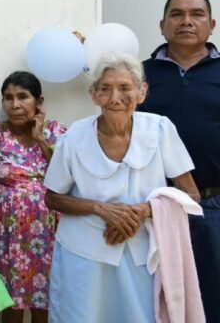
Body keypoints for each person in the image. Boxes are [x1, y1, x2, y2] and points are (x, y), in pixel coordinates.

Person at [45, 53, 200, 322]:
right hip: (84, 253)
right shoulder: (73, 138)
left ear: (142, 92)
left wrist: (142, 211)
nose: (115, 98)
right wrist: (100, 208)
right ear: (93, 95)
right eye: (105, 89)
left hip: (142, 251)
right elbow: (53, 198)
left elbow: (191, 194)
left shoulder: (161, 130)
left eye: (125, 88)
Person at [138, 0, 219, 322]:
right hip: (151, 208)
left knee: (212, 297)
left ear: (211, 24)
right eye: (177, 14)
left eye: (196, 14)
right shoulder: (138, 75)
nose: (186, 21)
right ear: (162, 25)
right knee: (153, 300)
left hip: (214, 206)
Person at [0, 71, 65, 323]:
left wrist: (39, 138)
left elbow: (66, 175)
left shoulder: (56, 132)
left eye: (22, 97)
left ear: (39, 102)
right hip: (4, 234)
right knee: (9, 303)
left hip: (46, 233)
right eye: (8, 98)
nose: (14, 105)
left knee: (45, 300)